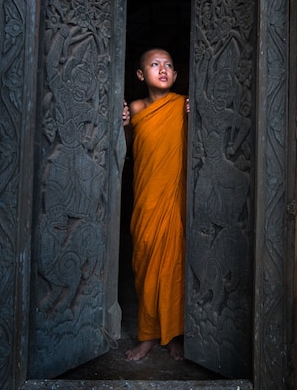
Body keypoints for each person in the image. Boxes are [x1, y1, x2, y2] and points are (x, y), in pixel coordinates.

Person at [122, 48, 187, 361]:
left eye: (169, 65)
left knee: (174, 267)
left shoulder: (182, 106)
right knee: (146, 265)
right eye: (155, 64)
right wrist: (123, 126)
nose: (163, 70)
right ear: (140, 74)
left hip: (174, 201)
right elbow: (127, 149)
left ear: (175, 76)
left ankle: (175, 335)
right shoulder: (135, 110)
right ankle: (148, 336)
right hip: (146, 201)